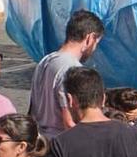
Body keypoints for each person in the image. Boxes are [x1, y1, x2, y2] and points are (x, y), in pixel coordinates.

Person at [30, 10, 103, 139]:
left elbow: (32, 110)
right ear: (89, 38)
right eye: (96, 43)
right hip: (60, 143)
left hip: (40, 140)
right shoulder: (73, 69)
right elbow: (69, 122)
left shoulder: (45, 60)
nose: (95, 49)